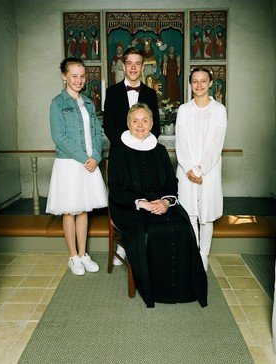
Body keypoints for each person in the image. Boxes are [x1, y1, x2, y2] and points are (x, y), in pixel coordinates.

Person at [108, 103, 208, 308]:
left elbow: (171, 183)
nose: (140, 125)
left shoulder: (160, 150)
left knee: (181, 225)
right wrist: (142, 204)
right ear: (128, 124)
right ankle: (154, 288)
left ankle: (184, 286)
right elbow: (116, 189)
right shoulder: (118, 151)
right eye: (135, 121)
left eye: (145, 120)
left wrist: (165, 201)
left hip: (160, 202)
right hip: (129, 206)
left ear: (152, 123)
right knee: (149, 230)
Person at [46, 57, 108, 276]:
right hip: (70, 164)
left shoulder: (89, 103)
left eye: (82, 76)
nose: (78, 80)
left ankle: (83, 254)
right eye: (73, 76)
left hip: (89, 163)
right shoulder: (58, 103)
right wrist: (84, 158)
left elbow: (97, 134)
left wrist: (97, 156)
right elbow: (59, 137)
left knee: (83, 209)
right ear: (64, 76)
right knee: (69, 210)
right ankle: (73, 256)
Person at [104, 46, 161, 266]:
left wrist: (141, 145)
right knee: (123, 193)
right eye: (130, 63)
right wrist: (126, 146)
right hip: (121, 154)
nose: (134, 67)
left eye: (138, 63)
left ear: (142, 66)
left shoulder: (150, 93)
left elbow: (154, 126)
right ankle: (123, 242)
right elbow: (109, 125)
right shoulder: (112, 92)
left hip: (145, 154)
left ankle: (144, 238)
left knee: (145, 191)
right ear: (124, 65)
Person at [175, 67, 227, 271]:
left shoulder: (219, 110)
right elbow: (181, 141)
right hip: (186, 170)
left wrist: (201, 169)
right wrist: (189, 168)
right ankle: (193, 253)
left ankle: (203, 255)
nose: (199, 85)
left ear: (211, 83)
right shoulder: (184, 110)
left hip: (209, 170)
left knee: (206, 214)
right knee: (190, 214)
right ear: (190, 84)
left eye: (203, 81)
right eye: (195, 81)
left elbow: (216, 143)